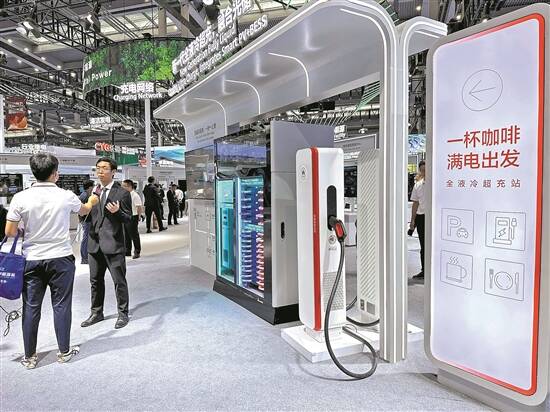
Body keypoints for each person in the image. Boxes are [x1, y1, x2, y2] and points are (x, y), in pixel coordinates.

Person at [4, 153, 99, 369]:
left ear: (33, 172)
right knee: (62, 305)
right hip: (61, 259)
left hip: (32, 259)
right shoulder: (66, 196)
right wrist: (92, 200)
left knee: (31, 307)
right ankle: (64, 352)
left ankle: (30, 357)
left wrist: (25, 229)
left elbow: (10, 231)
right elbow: (84, 210)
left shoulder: (20, 197)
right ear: (55, 173)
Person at [81, 157, 133, 330]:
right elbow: (86, 215)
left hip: (114, 244)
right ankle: (96, 313)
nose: (100, 171)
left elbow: (128, 220)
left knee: (119, 281)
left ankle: (123, 313)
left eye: (104, 168)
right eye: (98, 168)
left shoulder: (122, 193)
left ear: (113, 172)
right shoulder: (93, 192)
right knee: (95, 281)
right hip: (94, 244)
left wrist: (118, 212)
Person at [409, 160, 426, 282]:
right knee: (423, 245)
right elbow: (415, 203)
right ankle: (424, 270)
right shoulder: (418, 185)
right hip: (421, 218)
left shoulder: (437, 183)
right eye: (422, 170)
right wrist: (412, 221)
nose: (425, 172)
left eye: (426, 169)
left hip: (433, 217)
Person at [122, 179, 143, 259]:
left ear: (130, 186)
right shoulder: (124, 195)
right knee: (126, 235)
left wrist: (139, 216)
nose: (122, 188)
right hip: (125, 217)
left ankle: (137, 251)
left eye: (124, 186)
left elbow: (139, 207)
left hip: (133, 217)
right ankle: (127, 251)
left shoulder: (135, 195)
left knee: (134, 235)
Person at [78, 180, 95, 265]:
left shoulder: (86, 195)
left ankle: (87, 256)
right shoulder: (85, 196)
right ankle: (84, 258)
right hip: (86, 220)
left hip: (87, 220)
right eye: (93, 186)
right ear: (90, 187)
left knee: (88, 238)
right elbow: (82, 210)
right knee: (86, 239)